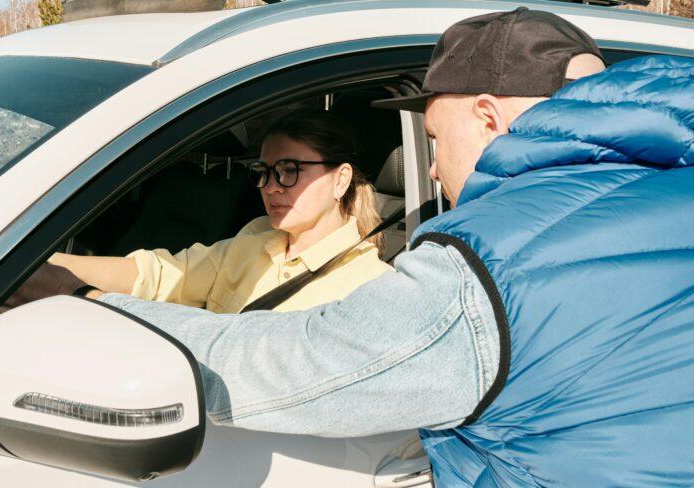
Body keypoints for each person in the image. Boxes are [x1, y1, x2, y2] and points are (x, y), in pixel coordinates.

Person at [89, 8, 694, 487]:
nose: (431, 170)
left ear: (487, 116)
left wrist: (88, 320)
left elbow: (298, 369)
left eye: (434, 137)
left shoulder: (490, 264)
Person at [10, 109, 393, 313]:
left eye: (290, 171)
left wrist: (87, 296)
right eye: (262, 172)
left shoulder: (370, 286)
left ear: (341, 179)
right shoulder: (257, 238)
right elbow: (159, 275)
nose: (271, 186)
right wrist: (36, 263)